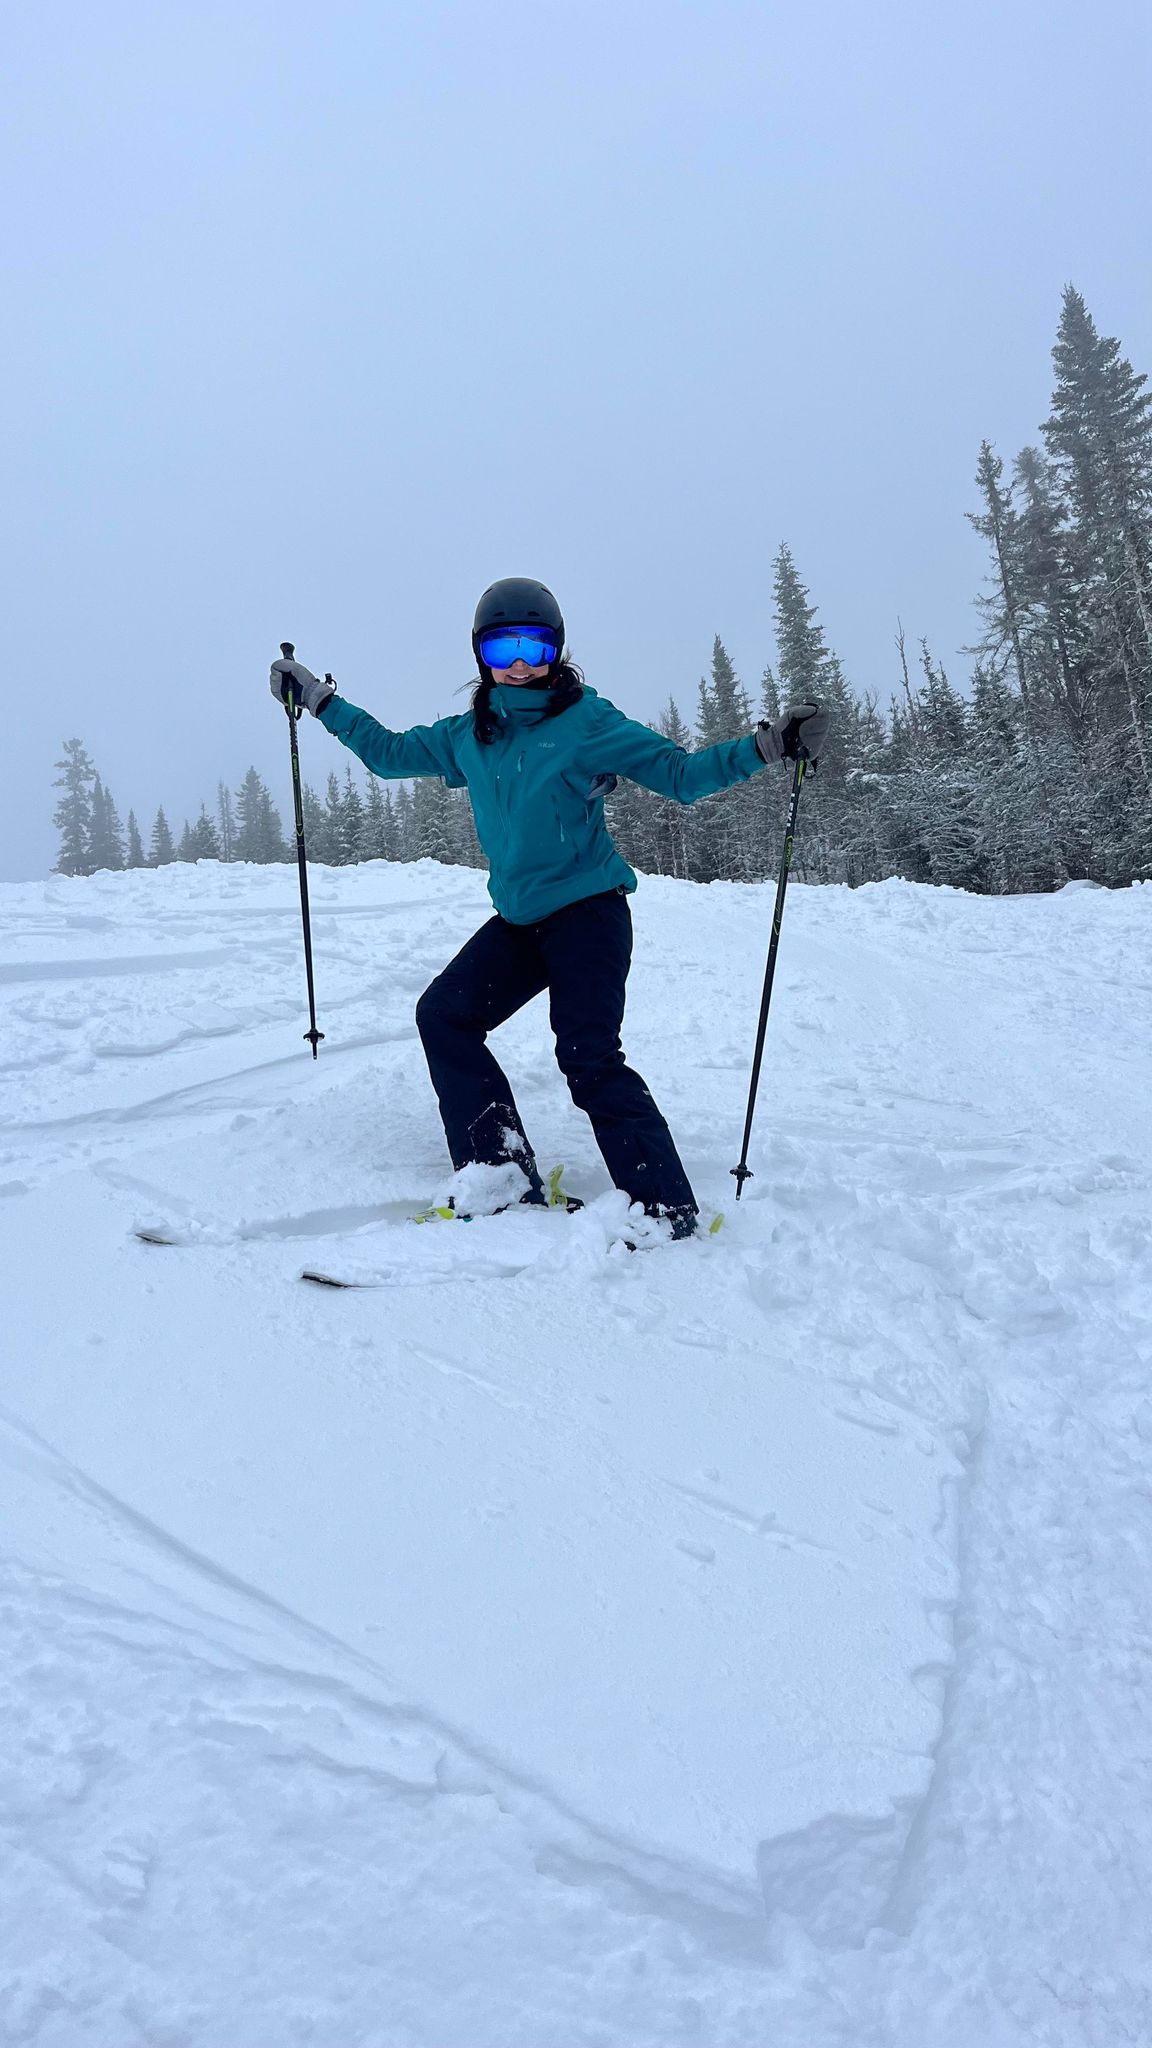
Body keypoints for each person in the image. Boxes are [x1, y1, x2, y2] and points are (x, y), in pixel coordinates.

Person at [270, 577, 828, 1241]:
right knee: (444, 1015)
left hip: (589, 912)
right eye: (502, 647)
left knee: (589, 1057)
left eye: (533, 645)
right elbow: (389, 755)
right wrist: (320, 699)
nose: (519, 664)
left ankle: (664, 1208)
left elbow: (681, 776)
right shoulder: (469, 735)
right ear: (481, 653)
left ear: (556, 649)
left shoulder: (587, 723)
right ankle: (498, 1174)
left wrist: (769, 747)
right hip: (520, 920)